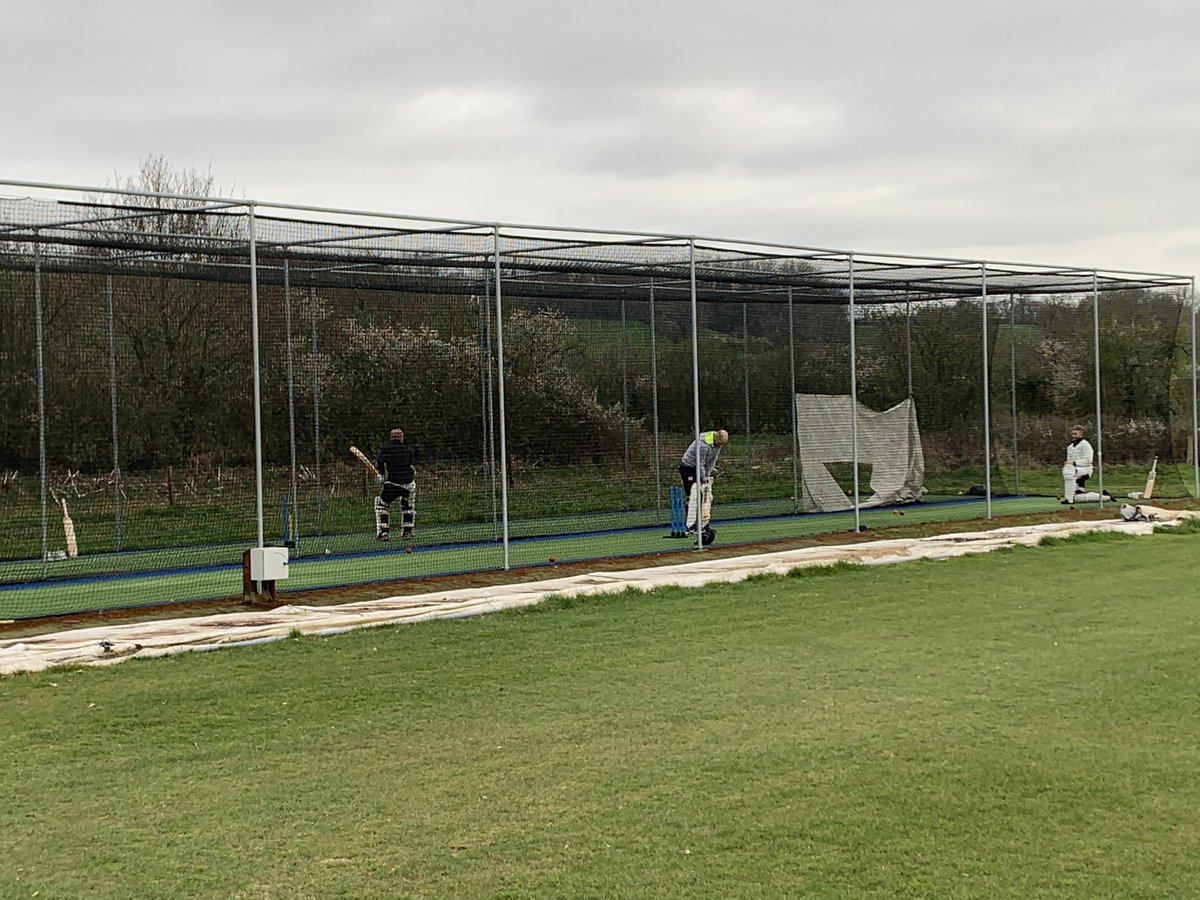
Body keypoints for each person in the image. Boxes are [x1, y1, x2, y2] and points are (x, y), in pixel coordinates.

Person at [679, 429, 728, 532]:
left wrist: (708, 475)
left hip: (700, 468)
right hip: (688, 467)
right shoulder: (703, 444)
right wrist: (704, 477)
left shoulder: (718, 445)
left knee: (704, 497)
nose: (720, 446)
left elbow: (712, 462)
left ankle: (702, 525)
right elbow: (700, 463)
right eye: (720, 443)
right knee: (694, 495)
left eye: (722, 444)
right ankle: (690, 525)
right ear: (716, 438)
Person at [375, 428, 417, 540]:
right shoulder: (408, 449)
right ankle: (407, 532)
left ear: (391, 437)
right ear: (402, 438)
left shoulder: (386, 449)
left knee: (382, 505)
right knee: (407, 506)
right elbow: (409, 464)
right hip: (409, 484)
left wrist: (382, 475)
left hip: (393, 483)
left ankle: (384, 533)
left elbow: (380, 462)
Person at [1061, 424, 1094, 506]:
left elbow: (1088, 460)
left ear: (1081, 434)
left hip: (1086, 469)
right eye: (1072, 434)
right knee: (1079, 496)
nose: (1073, 436)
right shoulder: (1070, 447)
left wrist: (1074, 463)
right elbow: (1069, 461)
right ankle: (1105, 496)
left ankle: (1069, 499)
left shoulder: (1085, 445)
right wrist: (1069, 463)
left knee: (1069, 471)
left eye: (1075, 434)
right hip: (1075, 470)